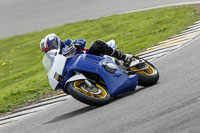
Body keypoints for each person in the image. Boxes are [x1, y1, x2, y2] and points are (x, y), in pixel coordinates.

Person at [40, 33, 132, 66]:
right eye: (47, 51)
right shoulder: (54, 60)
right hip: (78, 66)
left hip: (89, 56)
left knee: (97, 44)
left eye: (51, 48)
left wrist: (76, 45)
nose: (51, 51)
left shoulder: (67, 43)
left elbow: (81, 41)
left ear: (56, 42)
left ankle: (124, 56)